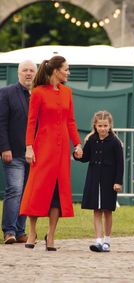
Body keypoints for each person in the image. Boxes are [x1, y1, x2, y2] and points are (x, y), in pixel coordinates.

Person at [20, 55, 83, 251]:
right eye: (66, 68)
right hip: (42, 148)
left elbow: (70, 121)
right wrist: (29, 147)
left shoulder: (68, 92)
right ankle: (32, 232)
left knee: (57, 192)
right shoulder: (37, 92)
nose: (68, 72)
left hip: (62, 149)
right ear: (56, 71)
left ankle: (51, 236)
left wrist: (77, 144)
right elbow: (31, 122)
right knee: (37, 189)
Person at [74, 111, 124, 252]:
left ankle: (107, 240)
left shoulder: (115, 142)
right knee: (96, 210)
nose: (102, 128)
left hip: (109, 182)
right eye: (100, 125)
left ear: (110, 126)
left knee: (108, 211)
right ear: (95, 126)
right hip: (94, 180)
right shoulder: (91, 140)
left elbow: (120, 164)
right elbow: (85, 157)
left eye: (105, 125)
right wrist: (77, 155)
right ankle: (98, 240)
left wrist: (118, 181)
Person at [0, 60, 37, 244]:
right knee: (14, 190)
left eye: (31, 70)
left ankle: (21, 231)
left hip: (35, 154)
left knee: (27, 192)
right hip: (13, 152)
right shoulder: (6, 93)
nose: (28, 73)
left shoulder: (39, 94)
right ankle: (9, 231)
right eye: (25, 70)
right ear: (18, 73)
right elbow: (1, 123)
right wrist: (4, 147)